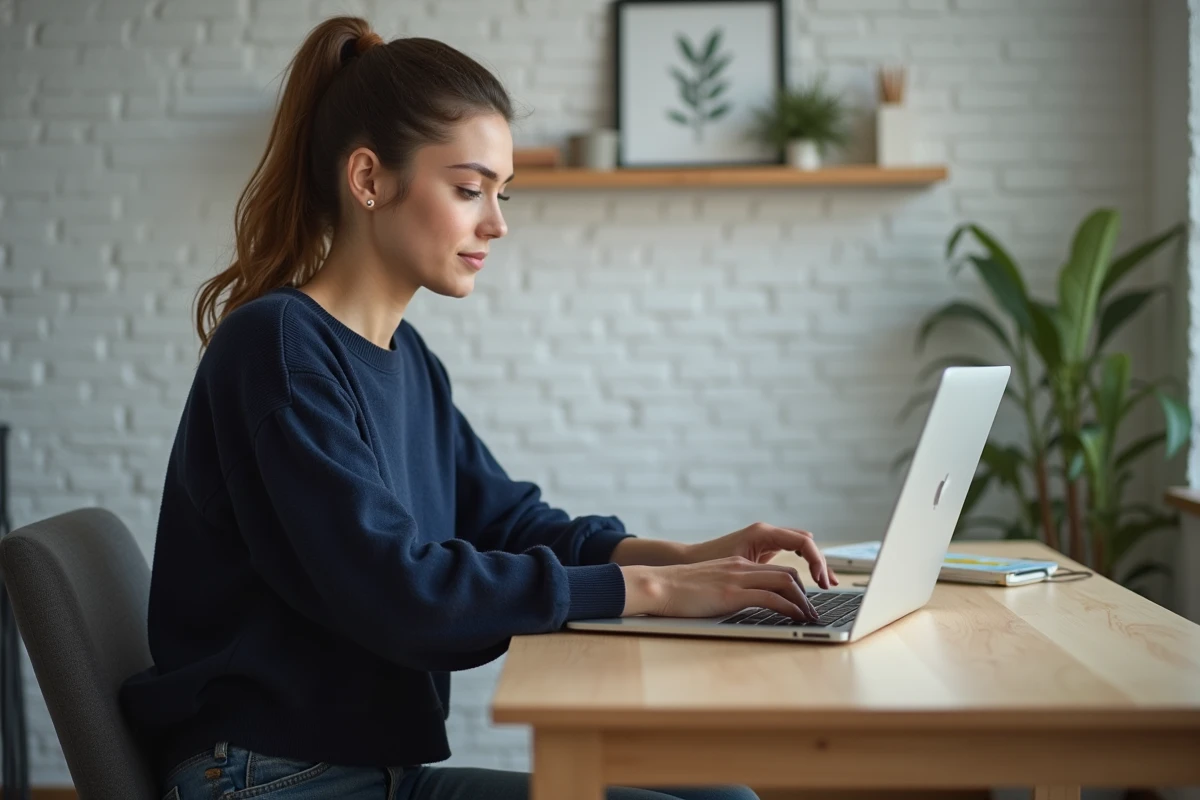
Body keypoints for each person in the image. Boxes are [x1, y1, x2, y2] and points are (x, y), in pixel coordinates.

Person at [119, 16, 838, 800]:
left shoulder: (409, 362)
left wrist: (684, 557)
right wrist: (656, 595)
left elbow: (511, 522)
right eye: (469, 189)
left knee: (725, 799)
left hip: (365, 771)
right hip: (265, 775)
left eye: (501, 193)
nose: (496, 223)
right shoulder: (278, 350)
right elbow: (400, 593)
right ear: (368, 180)